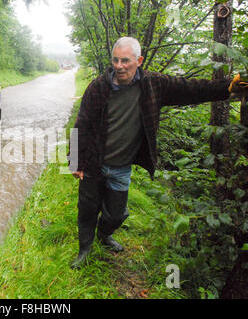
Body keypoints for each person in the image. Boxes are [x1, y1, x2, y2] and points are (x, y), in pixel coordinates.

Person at [69, 36, 248, 269]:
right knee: (87, 207)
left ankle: (104, 233)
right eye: (115, 60)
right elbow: (80, 124)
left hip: (122, 166)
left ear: (139, 60)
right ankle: (85, 250)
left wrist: (226, 87)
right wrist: (75, 161)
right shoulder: (98, 87)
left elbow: (189, 88)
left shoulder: (153, 84)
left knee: (115, 215)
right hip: (95, 162)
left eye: (125, 60)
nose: (119, 66)